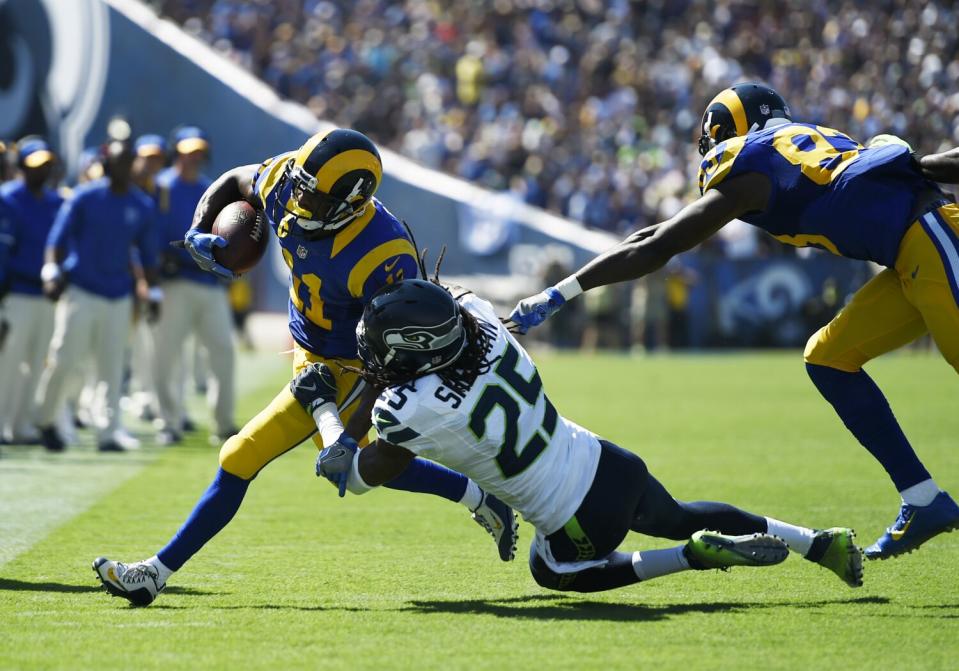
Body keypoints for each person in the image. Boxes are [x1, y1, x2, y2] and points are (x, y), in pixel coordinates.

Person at [508, 82, 959, 560]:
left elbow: (658, 244)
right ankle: (922, 498)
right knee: (829, 357)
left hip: (932, 236)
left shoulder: (750, 161)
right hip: (911, 252)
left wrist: (563, 290)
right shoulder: (816, 140)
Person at [92, 128, 517, 606]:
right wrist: (201, 227)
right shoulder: (291, 179)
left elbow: (394, 358)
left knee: (266, 457)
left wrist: (350, 430)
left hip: (360, 363)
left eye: (311, 195)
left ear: (350, 202)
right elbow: (236, 181)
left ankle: (154, 573)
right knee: (338, 466)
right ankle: (480, 497)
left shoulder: (383, 253)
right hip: (308, 344)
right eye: (298, 184)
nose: (296, 199)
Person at [302, 278, 863, 594]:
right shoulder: (484, 325)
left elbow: (353, 474)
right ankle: (817, 542)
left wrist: (324, 408)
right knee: (685, 510)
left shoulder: (409, 408)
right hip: (609, 460)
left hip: (575, 515)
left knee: (551, 570)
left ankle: (689, 560)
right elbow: (458, 297)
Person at [33, 139, 162, 453]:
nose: (121, 167)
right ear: (106, 164)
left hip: (118, 294)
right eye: (116, 161)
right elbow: (57, 240)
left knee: (112, 367)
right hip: (81, 290)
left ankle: (107, 432)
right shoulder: (84, 198)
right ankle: (45, 420)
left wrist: (154, 292)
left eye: (126, 161)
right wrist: (51, 271)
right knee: (63, 359)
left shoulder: (141, 206)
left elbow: (147, 256)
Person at [151, 126, 236, 444]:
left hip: (208, 282)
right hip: (174, 281)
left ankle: (224, 423)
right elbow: (151, 232)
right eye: (188, 152)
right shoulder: (161, 187)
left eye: (199, 153)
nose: (193, 159)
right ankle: (168, 422)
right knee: (167, 355)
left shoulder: (210, 189)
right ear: (177, 153)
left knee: (224, 352)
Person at [0, 138, 64, 444]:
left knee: (37, 363)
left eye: (47, 164)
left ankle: (21, 426)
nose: (44, 170)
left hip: (46, 296)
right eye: (37, 165)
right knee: (8, 364)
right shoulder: (7, 198)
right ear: (22, 166)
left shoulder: (56, 202)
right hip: (15, 294)